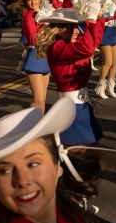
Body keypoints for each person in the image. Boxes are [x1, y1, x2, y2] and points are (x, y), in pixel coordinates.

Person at [36, 8, 104, 145]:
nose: (77, 30)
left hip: (82, 103)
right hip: (72, 108)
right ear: (59, 29)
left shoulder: (68, 44)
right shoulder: (57, 47)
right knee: (78, 151)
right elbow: (88, 48)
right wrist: (90, 22)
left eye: (77, 26)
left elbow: (94, 41)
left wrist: (99, 18)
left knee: (87, 150)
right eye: (71, 27)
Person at [19, 0, 51, 112]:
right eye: (29, 0)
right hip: (35, 57)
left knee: (43, 99)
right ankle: (31, 126)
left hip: (46, 56)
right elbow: (34, 38)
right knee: (37, 100)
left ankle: (39, 127)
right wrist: (47, 26)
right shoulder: (28, 16)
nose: (33, 2)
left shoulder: (45, 13)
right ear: (26, 2)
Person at [94, 0, 116, 99]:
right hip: (104, 36)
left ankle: (111, 86)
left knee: (115, 63)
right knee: (108, 62)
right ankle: (100, 86)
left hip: (113, 34)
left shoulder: (114, 1)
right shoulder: (98, 3)